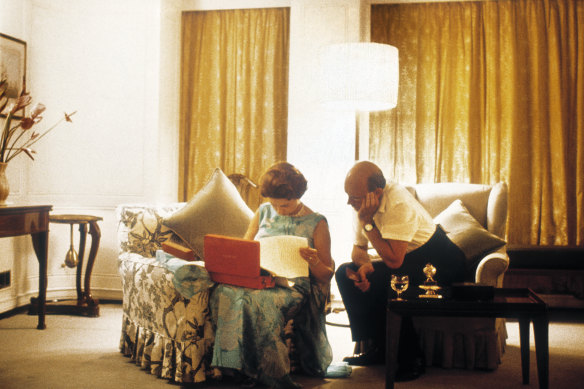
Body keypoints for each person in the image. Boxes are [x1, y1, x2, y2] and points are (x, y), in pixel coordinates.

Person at [335, 161, 466, 381]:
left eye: (354, 198)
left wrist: (367, 222)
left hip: (439, 261)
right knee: (344, 274)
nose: (349, 202)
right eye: (348, 195)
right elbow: (358, 249)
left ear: (376, 193)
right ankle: (379, 347)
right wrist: (364, 267)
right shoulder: (361, 202)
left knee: (393, 284)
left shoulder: (398, 205)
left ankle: (412, 358)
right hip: (404, 257)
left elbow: (394, 261)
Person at [210, 162, 335, 389]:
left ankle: (270, 374)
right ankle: (231, 368)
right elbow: (246, 249)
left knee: (259, 302)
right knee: (225, 291)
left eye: (285, 206)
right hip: (260, 278)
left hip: (293, 285)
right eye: (274, 204)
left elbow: (326, 275)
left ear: (298, 196)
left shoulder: (317, 222)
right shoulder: (263, 212)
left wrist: (313, 260)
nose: (278, 210)